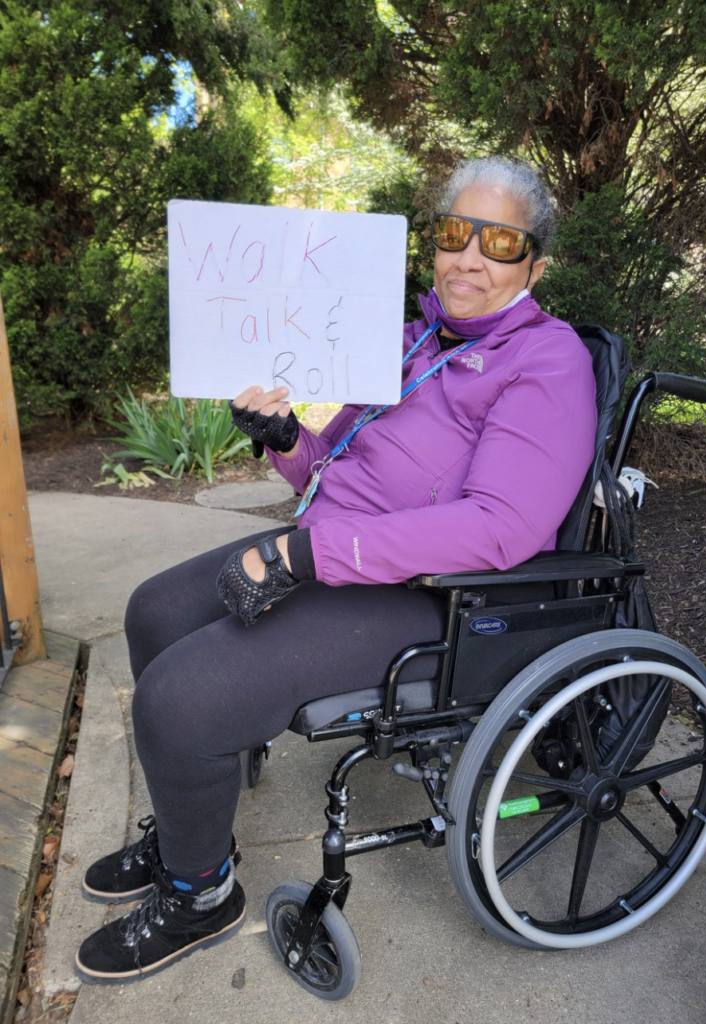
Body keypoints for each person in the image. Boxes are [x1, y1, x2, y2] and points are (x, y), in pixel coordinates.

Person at [75, 156, 597, 983]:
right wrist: (284, 438)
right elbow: (329, 466)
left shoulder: (547, 361)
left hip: (429, 597)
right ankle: (189, 826)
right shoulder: (411, 338)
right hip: (335, 551)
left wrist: (305, 553)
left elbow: (502, 528)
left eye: (498, 242)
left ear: (535, 264)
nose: (468, 257)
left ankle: (199, 894)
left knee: (180, 699)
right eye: (454, 233)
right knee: (153, 612)